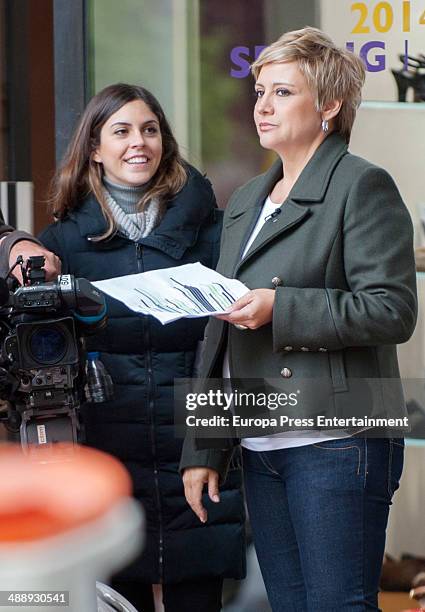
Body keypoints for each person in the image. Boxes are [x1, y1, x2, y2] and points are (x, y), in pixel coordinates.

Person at [181, 27, 417, 611]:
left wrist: (279, 308)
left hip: (338, 440)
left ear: (330, 105)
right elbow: (219, 328)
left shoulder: (362, 185)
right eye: (260, 90)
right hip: (262, 438)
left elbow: (392, 310)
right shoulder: (245, 201)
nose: (262, 105)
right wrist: (204, 448)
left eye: (282, 92)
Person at [39, 83, 245, 612]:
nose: (139, 143)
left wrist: (215, 446)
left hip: (195, 452)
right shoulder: (61, 245)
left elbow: (226, 351)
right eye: (122, 130)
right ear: (94, 148)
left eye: (150, 130)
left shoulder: (213, 234)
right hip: (106, 458)